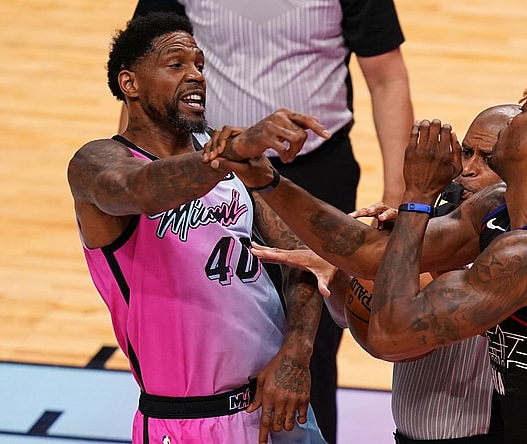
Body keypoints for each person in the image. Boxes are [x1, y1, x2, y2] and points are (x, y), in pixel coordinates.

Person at [204, 76, 527, 443]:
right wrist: (269, 183)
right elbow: (370, 253)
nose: (510, 120)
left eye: (524, 114)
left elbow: (392, 332)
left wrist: (419, 197)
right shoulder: (501, 206)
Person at [126, 3, 414, 440]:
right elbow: (144, 65)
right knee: (211, 324)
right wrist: (142, 167)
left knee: (312, 343)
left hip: (317, 173)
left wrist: (398, 194)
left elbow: (386, 75)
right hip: (208, 170)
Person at [67, 12, 331, 443]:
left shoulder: (228, 153)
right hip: (186, 421)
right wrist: (228, 156)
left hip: (275, 408)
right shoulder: (97, 163)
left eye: (200, 65)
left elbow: (302, 256)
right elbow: (138, 189)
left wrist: (297, 353)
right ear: (130, 83)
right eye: (176, 65)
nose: (196, 76)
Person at [254, 104, 520, 443]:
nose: (468, 169)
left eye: (489, 160)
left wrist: (398, 251)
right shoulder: (439, 210)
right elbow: (355, 318)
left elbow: (446, 323)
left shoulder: (519, 242)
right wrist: (342, 275)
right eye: (467, 152)